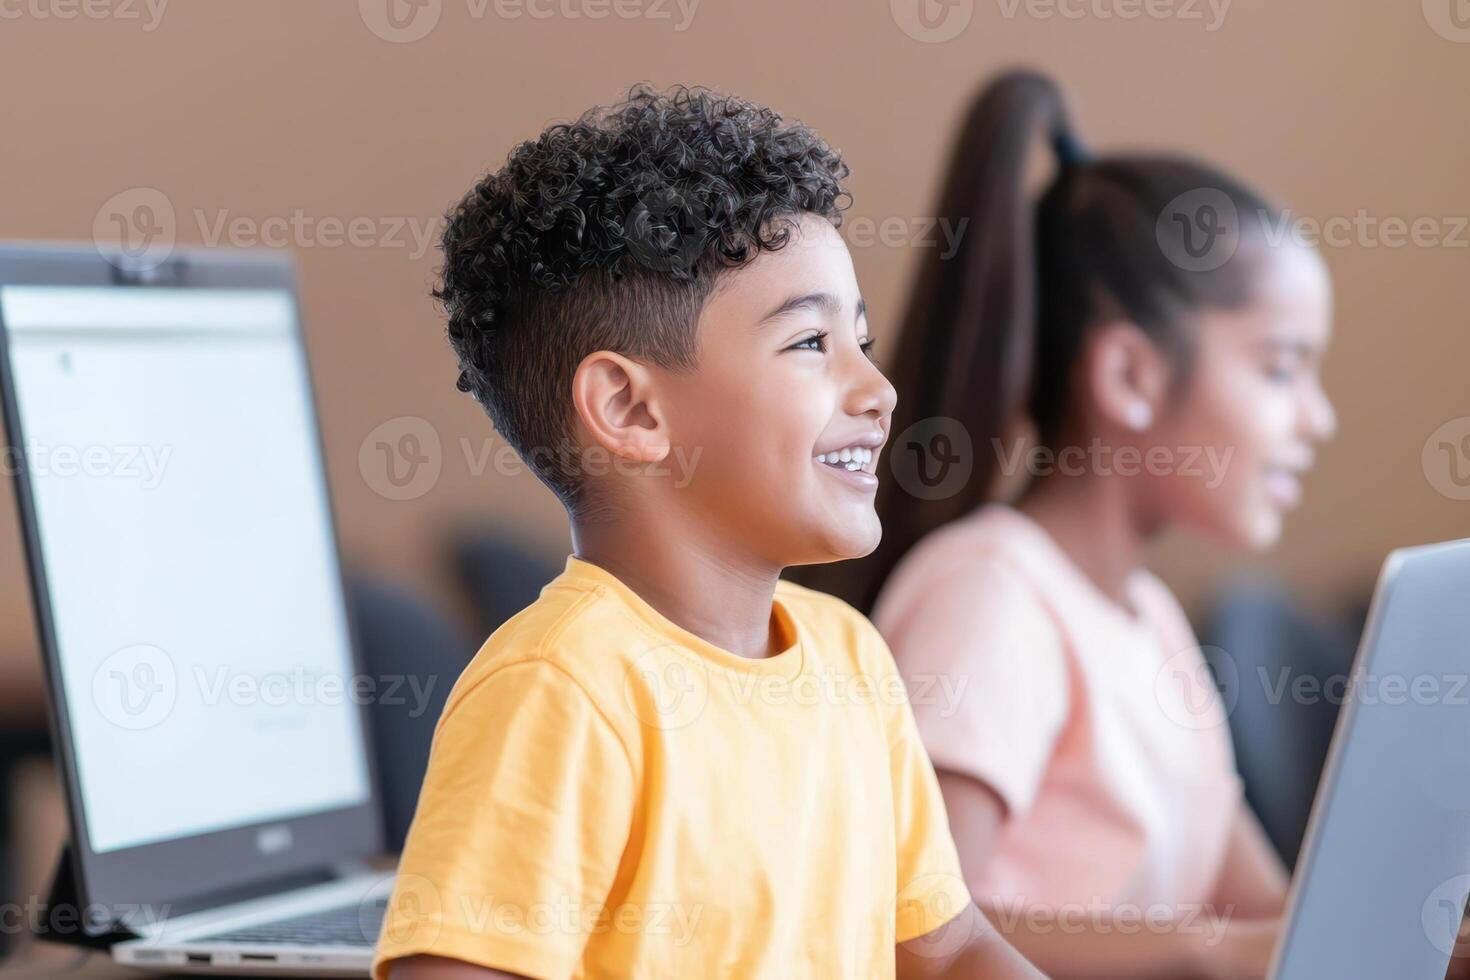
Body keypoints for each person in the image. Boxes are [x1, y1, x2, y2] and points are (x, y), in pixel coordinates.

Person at [372, 85, 1044, 980]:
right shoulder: (562, 689)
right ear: (628, 409)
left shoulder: (850, 659)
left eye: (864, 341)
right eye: (811, 344)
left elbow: (948, 949)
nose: (877, 390)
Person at [814, 70, 1336, 979]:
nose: (1317, 420)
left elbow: (1284, 918)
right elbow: (913, 936)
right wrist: (1206, 952)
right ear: (1130, 375)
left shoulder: (1149, 622)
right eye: (1282, 369)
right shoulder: (991, 591)